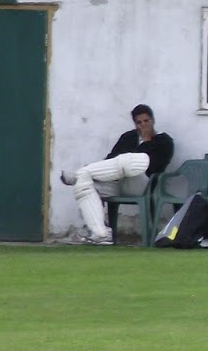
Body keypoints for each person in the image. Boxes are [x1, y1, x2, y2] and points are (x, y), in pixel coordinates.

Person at [58, 103, 175, 245]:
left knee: (129, 160)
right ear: (135, 124)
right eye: (139, 122)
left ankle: (80, 173)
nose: (143, 125)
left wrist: (146, 142)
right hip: (117, 182)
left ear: (153, 120)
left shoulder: (164, 141)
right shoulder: (128, 137)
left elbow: (155, 166)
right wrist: (117, 167)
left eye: (146, 121)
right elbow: (110, 159)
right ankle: (101, 233)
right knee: (85, 184)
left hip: (142, 183)